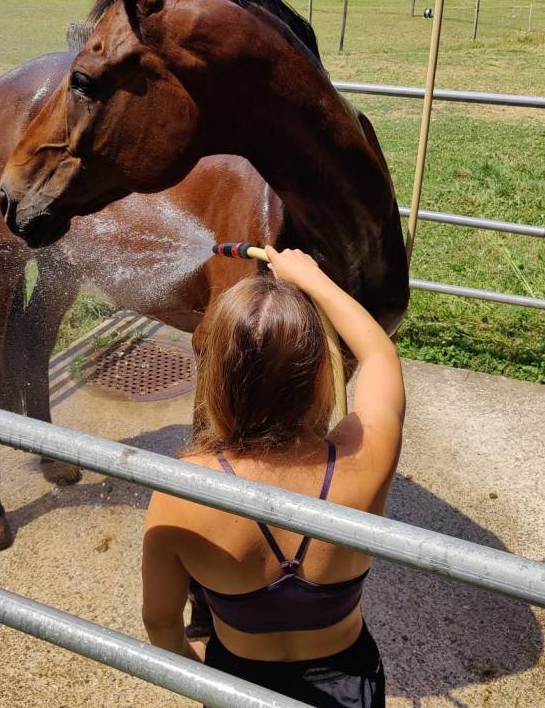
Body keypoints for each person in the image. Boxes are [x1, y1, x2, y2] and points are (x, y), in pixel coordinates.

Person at [142, 246, 405, 708]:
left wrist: (203, 672)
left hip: (237, 683)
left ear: (217, 375)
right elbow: (381, 354)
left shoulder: (182, 491)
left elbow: (161, 625)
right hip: (349, 682)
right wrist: (312, 280)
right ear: (319, 371)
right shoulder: (365, 460)